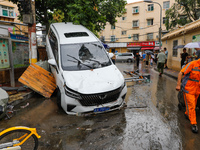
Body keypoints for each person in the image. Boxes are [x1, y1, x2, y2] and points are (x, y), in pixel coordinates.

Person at [176, 59, 200, 133]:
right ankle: (193, 124)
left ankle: (187, 114)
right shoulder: (192, 64)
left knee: (194, 104)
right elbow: (181, 73)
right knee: (192, 105)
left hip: (197, 89)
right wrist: (178, 85)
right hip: (188, 88)